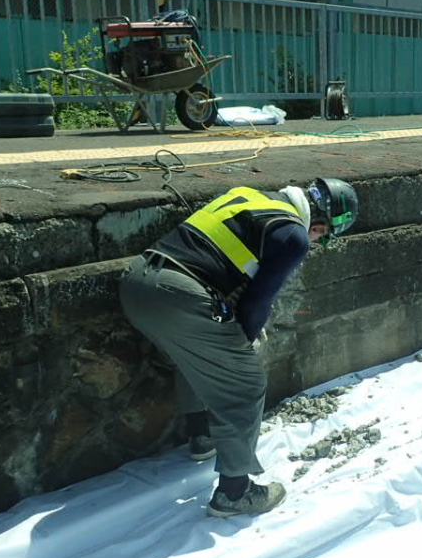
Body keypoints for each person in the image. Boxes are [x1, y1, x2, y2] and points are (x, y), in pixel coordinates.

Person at [118, 178, 358, 517]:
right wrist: (242, 342)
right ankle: (235, 492)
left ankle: (203, 437)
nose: (314, 241)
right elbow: (257, 302)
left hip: (138, 283)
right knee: (246, 384)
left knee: (200, 356)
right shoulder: (293, 237)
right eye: (321, 237)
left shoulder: (249, 195)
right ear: (318, 225)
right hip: (178, 296)